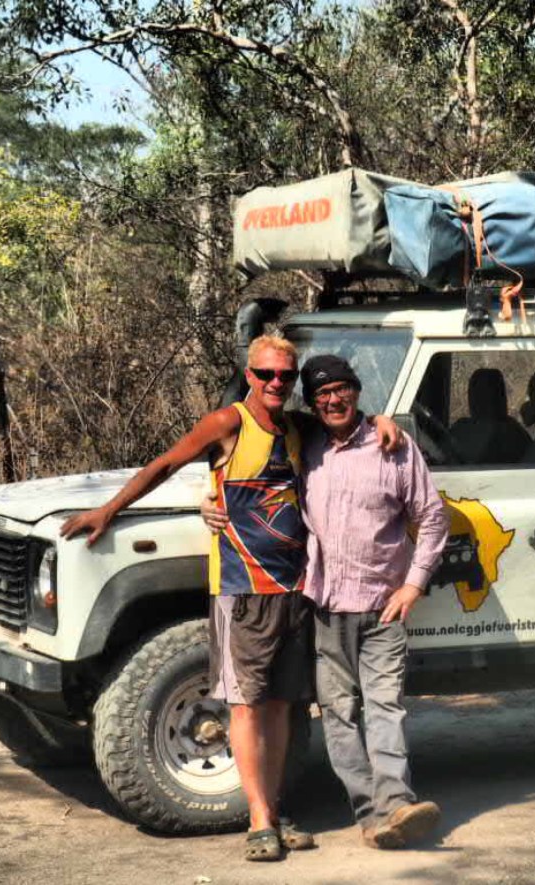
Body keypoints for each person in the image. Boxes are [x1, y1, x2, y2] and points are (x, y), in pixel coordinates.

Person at [60, 335, 399, 862]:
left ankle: (275, 808)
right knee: (245, 703)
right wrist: (111, 511)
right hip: (243, 588)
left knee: (283, 705)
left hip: (292, 588)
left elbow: (342, 413)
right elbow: (167, 464)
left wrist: (381, 421)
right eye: (266, 375)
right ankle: (260, 819)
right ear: (249, 373)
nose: (276, 384)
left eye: (286, 377)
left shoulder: (294, 427)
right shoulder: (229, 422)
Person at [204, 354, 450, 849]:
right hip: (322, 607)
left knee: (384, 707)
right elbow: (243, 464)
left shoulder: (394, 448)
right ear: (312, 403)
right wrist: (207, 498)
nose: (333, 400)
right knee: (339, 714)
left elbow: (433, 517)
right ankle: (371, 818)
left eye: (342, 390)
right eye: (322, 394)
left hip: (383, 605)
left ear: (357, 392)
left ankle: (397, 804)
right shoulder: (305, 445)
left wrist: (414, 584)